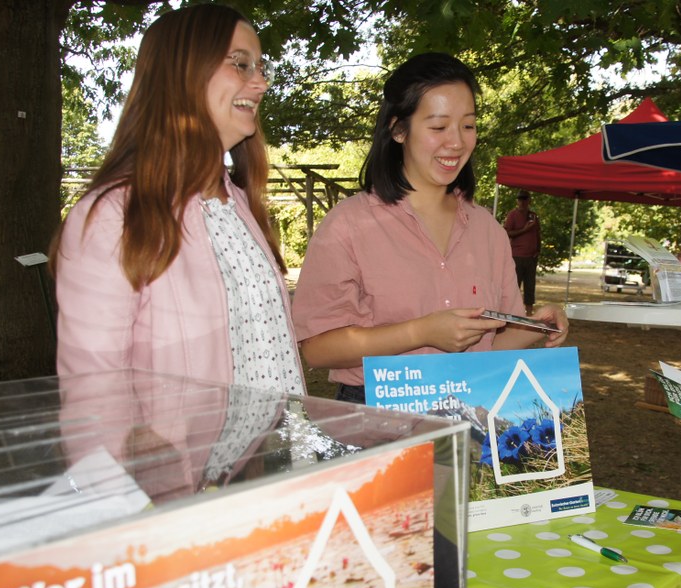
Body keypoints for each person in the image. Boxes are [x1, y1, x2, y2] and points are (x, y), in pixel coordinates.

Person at [53, 4, 304, 395]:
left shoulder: (236, 204)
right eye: (241, 64)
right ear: (182, 74)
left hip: (273, 454)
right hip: (182, 459)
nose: (261, 83)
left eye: (261, 68)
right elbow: (92, 395)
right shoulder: (114, 218)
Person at [292, 52, 568, 404]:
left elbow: (491, 345)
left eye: (468, 125)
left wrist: (536, 327)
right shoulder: (348, 225)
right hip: (377, 418)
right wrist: (421, 332)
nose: (456, 142)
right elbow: (318, 349)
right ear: (398, 129)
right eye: (438, 127)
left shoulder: (487, 229)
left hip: (470, 410)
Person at [504, 189, 541, 315]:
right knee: (515, 285)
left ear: (529, 200)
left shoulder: (533, 216)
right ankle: (512, 312)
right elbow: (507, 233)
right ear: (517, 201)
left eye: (525, 199)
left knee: (530, 286)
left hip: (531, 257)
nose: (522, 202)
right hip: (517, 256)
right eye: (520, 199)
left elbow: (538, 234)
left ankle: (529, 313)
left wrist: (538, 250)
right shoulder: (512, 215)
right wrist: (524, 229)